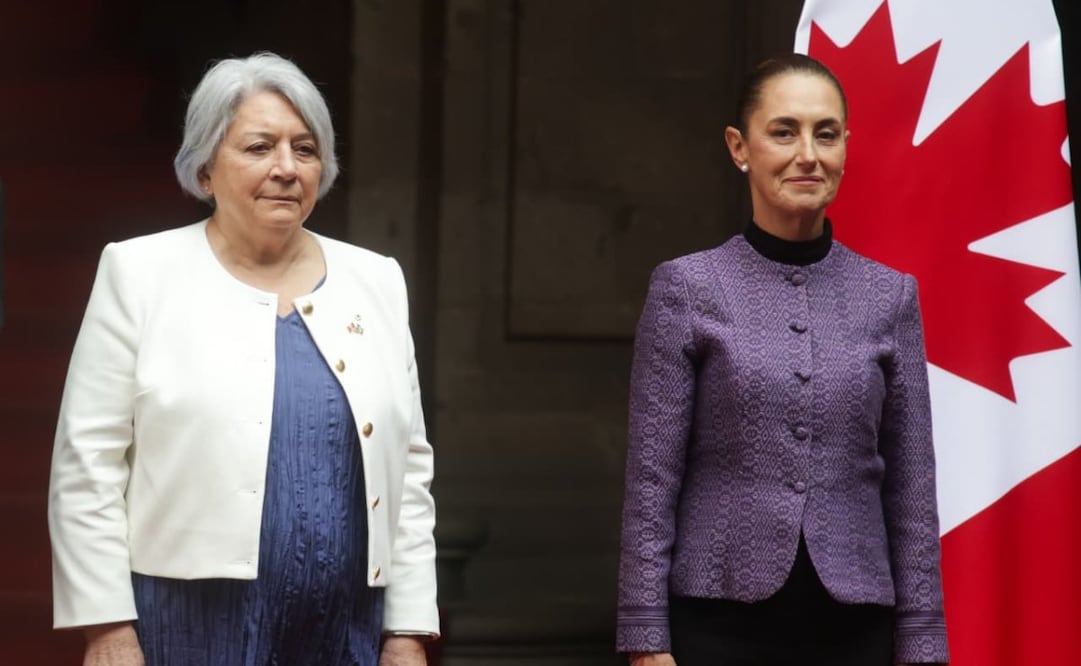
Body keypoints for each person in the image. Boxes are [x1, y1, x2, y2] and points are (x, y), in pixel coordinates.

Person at [48, 52, 438, 666]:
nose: (286, 167)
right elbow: (86, 463)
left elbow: (411, 471)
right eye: (259, 147)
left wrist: (408, 630)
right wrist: (106, 627)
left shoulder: (377, 280)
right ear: (205, 170)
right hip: (184, 624)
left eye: (304, 149)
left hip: (343, 628)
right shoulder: (140, 273)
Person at [615, 53, 949, 666]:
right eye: (784, 131)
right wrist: (644, 637)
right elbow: (650, 480)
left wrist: (924, 641)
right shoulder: (687, 287)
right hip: (717, 622)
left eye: (826, 134)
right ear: (739, 147)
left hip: (857, 627)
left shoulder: (891, 295)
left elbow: (911, 484)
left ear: (847, 147)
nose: (808, 154)